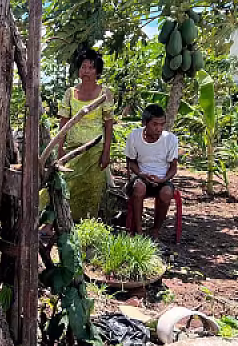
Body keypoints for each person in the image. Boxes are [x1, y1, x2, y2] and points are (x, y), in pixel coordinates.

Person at [55, 48, 114, 222]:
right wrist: (60, 147)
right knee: (66, 183)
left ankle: (86, 225)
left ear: (97, 71)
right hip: (74, 149)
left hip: (96, 150)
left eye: (90, 67)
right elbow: (63, 122)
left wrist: (106, 152)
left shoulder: (105, 93)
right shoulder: (70, 93)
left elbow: (109, 124)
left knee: (92, 189)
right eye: (83, 67)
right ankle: (56, 222)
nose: (86, 71)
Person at [125, 104, 179, 239]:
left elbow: (173, 167)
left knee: (166, 193)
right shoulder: (134, 136)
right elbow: (131, 162)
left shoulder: (170, 139)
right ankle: (138, 231)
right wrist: (141, 174)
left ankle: (156, 230)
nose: (159, 129)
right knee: (139, 188)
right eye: (155, 124)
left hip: (162, 179)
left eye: (162, 125)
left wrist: (162, 180)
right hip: (141, 176)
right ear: (145, 123)